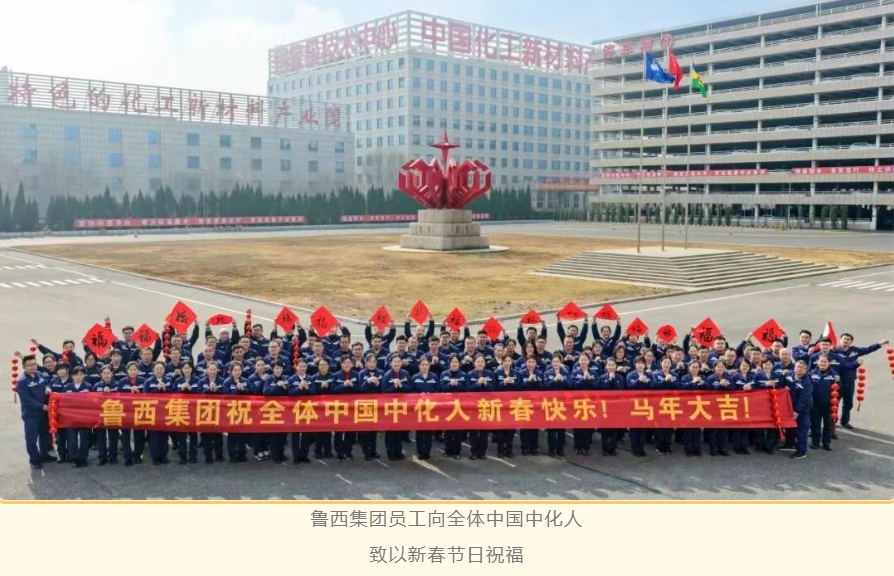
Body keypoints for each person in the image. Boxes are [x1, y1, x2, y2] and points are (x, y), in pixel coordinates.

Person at [836, 334, 888, 429]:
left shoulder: (855, 351)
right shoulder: (834, 351)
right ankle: (832, 422)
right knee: (834, 403)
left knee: (848, 403)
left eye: (848, 339)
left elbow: (867, 349)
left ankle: (844, 421)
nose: (846, 341)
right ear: (840, 340)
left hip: (850, 382)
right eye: (844, 339)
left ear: (851, 342)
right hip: (836, 383)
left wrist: (880, 344)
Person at [17, 355, 54, 470]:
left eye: (34, 364)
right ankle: (34, 460)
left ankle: (44, 455)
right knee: (31, 439)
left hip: (44, 413)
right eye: (29, 365)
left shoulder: (40, 375)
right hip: (31, 415)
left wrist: (48, 388)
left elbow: (47, 383)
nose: (32, 367)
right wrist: (41, 406)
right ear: (24, 367)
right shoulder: (22, 381)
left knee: (44, 436)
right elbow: (26, 399)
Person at [382, 355, 412, 461]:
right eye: (394, 362)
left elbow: (411, 388)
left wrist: (401, 386)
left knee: (399, 430)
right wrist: (393, 387)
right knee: (390, 431)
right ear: (391, 363)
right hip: (390, 406)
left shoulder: (406, 374)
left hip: (402, 406)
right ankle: (391, 452)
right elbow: (383, 391)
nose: (396, 364)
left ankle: (398, 451)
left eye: (398, 361)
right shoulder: (387, 375)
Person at [465, 355, 494, 460]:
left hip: (486, 406)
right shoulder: (469, 374)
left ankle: (482, 452)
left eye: (482, 361)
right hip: (473, 407)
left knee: (484, 432)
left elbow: (494, 389)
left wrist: (486, 384)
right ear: (474, 363)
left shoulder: (490, 374)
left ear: (485, 363)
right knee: (473, 432)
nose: (480, 363)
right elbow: (467, 389)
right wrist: (478, 384)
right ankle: (473, 452)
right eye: (478, 361)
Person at [116, 362, 145, 466]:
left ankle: (137, 455)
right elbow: (118, 397)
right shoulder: (122, 382)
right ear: (127, 371)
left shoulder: (143, 381)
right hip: (126, 411)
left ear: (138, 370)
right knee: (125, 436)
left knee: (139, 435)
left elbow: (147, 396)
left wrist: (139, 393)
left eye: (135, 370)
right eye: (131, 370)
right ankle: (127, 457)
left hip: (139, 411)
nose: (133, 372)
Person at [410, 357, 440, 460]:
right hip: (419, 409)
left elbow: (438, 390)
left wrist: (431, 394)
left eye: (427, 365)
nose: (425, 367)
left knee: (428, 432)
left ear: (429, 366)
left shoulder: (434, 376)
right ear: (419, 366)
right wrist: (419, 395)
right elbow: (411, 392)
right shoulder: (415, 377)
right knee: (419, 432)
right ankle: (420, 452)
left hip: (430, 408)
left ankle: (427, 452)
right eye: (423, 365)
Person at [287, 358, 315, 464]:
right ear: (296, 367)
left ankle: (304, 455)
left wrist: (307, 388)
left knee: (306, 434)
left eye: (304, 366)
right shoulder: (291, 379)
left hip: (307, 410)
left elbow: (315, 393)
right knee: (295, 434)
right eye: (300, 366)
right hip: (295, 410)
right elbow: (290, 393)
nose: (302, 368)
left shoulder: (310, 378)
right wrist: (299, 388)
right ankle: (296, 456)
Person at [63, 366, 92, 467]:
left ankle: (83, 458)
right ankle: (74, 458)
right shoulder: (67, 387)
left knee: (84, 438)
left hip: (84, 417)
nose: (78, 377)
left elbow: (94, 401)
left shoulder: (88, 386)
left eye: (80, 374)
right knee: (72, 439)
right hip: (71, 417)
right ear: (72, 376)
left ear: (84, 375)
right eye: (76, 375)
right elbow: (63, 401)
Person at [144, 361, 172, 465]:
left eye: (161, 369)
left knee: (164, 436)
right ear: (153, 370)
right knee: (154, 437)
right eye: (157, 369)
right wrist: (157, 389)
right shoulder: (148, 381)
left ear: (164, 370)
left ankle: (164, 455)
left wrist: (165, 389)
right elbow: (145, 397)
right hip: (153, 413)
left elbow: (173, 395)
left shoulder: (169, 380)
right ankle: (155, 457)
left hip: (165, 412)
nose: (159, 371)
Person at [332, 356, 360, 461]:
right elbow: (333, 390)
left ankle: (348, 451)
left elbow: (360, 389)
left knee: (350, 430)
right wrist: (343, 385)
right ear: (341, 364)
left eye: (349, 363)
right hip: (339, 407)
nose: (347, 365)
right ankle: (339, 452)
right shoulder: (336, 375)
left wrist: (352, 385)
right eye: (345, 363)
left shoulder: (356, 374)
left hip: (352, 407)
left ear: (352, 364)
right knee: (339, 431)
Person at [262, 360, 291, 463]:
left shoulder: (286, 378)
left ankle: (281, 453)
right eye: (276, 368)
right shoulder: (269, 379)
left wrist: (285, 387)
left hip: (284, 410)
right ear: (273, 369)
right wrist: (276, 386)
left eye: (280, 368)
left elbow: (291, 391)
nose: (278, 370)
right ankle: (275, 456)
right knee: (274, 435)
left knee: (283, 435)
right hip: (273, 411)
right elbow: (266, 392)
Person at [439, 355, 467, 459]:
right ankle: (447, 450)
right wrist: (450, 385)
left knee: (458, 431)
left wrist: (458, 385)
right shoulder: (444, 374)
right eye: (452, 362)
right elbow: (441, 388)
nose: (454, 364)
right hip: (447, 405)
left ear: (459, 363)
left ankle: (456, 452)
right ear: (449, 363)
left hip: (459, 406)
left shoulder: (463, 375)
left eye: (456, 362)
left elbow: (466, 389)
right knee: (447, 430)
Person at [596, 358, 625, 456]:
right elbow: (601, 391)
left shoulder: (620, 378)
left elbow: (620, 391)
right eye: (609, 365)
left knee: (615, 429)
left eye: (613, 365)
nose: (611, 367)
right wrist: (609, 380)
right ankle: (604, 448)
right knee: (605, 429)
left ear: (616, 367)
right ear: (606, 367)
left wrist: (614, 380)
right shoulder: (601, 378)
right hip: (605, 407)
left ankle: (612, 448)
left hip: (616, 407)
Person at [809, 355, 838, 451]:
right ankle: (815, 442)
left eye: (825, 362)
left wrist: (838, 382)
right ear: (817, 362)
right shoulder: (812, 373)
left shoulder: (834, 375)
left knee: (828, 425)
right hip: (815, 404)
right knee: (815, 424)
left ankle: (826, 443)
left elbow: (838, 389)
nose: (822, 363)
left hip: (828, 405)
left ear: (829, 363)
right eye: (821, 361)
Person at [752, 358, 781, 454]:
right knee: (760, 425)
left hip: (773, 404)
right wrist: (765, 384)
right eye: (765, 364)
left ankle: (769, 446)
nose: (767, 366)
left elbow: (782, 387)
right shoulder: (757, 375)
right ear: (762, 365)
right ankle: (760, 445)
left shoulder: (777, 375)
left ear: (772, 366)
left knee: (772, 425)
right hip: (760, 404)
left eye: (769, 364)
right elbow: (754, 388)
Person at [172, 362, 200, 464]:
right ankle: (182, 456)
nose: (187, 370)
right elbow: (173, 396)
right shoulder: (178, 380)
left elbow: (201, 395)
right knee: (181, 435)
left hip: (193, 411)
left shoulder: (197, 380)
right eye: (185, 368)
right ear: (182, 370)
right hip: (181, 411)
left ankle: (193, 455)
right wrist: (181, 390)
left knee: (193, 435)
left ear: (192, 369)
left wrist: (191, 389)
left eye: (189, 368)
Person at [223, 362, 251, 463]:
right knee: (232, 435)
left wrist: (244, 389)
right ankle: (232, 455)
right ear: (231, 371)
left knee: (243, 434)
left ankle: (242, 454)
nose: (237, 372)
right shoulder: (227, 382)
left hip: (243, 410)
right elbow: (225, 396)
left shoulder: (245, 381)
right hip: (232, 411)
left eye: (239, 370)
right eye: (235, 370)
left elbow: (252, 392)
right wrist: (236, 389)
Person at [569, 353, 597, 455]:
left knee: (587, 426)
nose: (584, 362)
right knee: (577, 426)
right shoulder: (575, 372)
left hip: (589, 403)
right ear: (579, 361)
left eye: (586, 360)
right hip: (578, 403)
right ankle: (578, 446)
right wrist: (582, 380)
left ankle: (586, 447)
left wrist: (588, 380)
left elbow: (596, 386)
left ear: (589, 361)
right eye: (582, 360)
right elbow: (572, 385)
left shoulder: (593, 373)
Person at [542, 355, 570, 457]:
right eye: (554, 362)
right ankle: (551, 449)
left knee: (562, 428)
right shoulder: (547, 373)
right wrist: (554, 379)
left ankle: (560, 449)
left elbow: (570, 385)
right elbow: (545, 386)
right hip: (551, 403)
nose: (556, 364)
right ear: (551, 363)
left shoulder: (565, 372)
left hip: (562, 404)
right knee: (551, 429)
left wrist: (563, 380)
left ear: (560, 363)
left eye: (557, 362)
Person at [650, 357, 679, 455]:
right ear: (661, 363)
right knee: (660, 426)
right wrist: (665, 380)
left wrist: (671, 381)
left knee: (669, 427)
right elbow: (654, 387)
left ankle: (667, 446)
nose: (666, 365)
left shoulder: (674, 375)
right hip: (659, 403)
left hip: (671, 403)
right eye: (665, 362)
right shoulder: (655, 374)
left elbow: (678, 387)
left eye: (668, 363)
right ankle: (659, 446)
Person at [198, 363, 225, 464]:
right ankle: (208, 457)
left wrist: (217, 390)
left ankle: (219, 456)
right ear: (207, 371)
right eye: (211, 369)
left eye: (214, 369)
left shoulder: (222, 381)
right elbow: (199, 395)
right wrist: (208, 390)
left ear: (217, 370)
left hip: (218, 411)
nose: (213, 371)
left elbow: (225, 394)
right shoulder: (202, 381)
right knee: (206, 436)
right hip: (206, 412)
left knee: (218, 436)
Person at [358, 355, 384, 460]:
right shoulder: (362, 373)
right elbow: (360, 389)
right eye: (370, 362)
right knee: (365, 431)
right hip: (365, 405)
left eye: (374, 362)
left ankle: (373, 451)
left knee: (374, 430)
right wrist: (368, 381)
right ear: (366, 363)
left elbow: (383, 389)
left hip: (376, 405)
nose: (372, 364)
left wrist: (378, 384)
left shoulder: (381, 373)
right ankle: (366, 452)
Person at [625, 357, 652, 457]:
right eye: (638, 363)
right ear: (635, 364)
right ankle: (634, 448)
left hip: (645, 404)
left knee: (642, 428)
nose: (640, 365)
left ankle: (641, 448)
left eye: (642, 363)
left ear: (645, 365)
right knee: (634, 428)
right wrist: (638, 380)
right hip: (633, 404)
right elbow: (629, 386)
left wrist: (648, 382)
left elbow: (654, 386)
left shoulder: (649, 374)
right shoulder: (631, 375)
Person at [728, 359, 755, 455]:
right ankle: (737, 447)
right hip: (738, 404)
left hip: (748, 404)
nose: (745, 367)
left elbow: (757, 389)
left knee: (746, 427)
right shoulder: (734, 377)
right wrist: (741, 389)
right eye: (743, 365)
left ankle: (744, 446)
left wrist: (751, 388)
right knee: (738, 427)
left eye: (747, 366)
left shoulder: (752, 376)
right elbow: (731, 389)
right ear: (739, 366)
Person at [494, 355, 519, 457]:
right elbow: (494, 387)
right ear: (502, 362)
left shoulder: (516, 373)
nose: (507, 363)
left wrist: (513, 383)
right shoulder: (497, 373)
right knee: (500, 429)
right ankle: (500, 450)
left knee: (511, 429)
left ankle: (509, 450)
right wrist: (503, 382)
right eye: (505, 361)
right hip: (500, 404)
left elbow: (520, 387)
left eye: (509, 361)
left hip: (512, 404)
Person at [679, 362, 706, 456]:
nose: (695, 369)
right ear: (689, 368)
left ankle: (697, 448)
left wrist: (703, 383)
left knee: (697, 429)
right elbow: (683, 388)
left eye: (697, 367)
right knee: (689, 429)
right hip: (688, 405)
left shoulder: (703, 377)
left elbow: (708, 389)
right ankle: (688, 449)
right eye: (693, 367)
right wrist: (693, 382)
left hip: (699, 405)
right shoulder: (685, 377)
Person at [517, 355, 542, 455]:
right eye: (529, 362)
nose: (531, 364)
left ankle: (533, 447)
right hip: (524, 403)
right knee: (524, 427)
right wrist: (528, 381)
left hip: (535, 403)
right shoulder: (521, 373)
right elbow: (518, 387)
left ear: (536, 364)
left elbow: (543, 387)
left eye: (533, 362)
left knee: (534, 427)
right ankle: (524, 447)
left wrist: (536, 382)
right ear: (526, 363)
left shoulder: (539, 373)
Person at [705, 362, 732, 457]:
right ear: (714, 368)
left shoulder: (728, 377)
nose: (720, 368)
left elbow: (733, 389)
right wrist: (720, 385)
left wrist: (727, 385)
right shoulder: (710, 378)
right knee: (714, 429)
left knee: (723, 429)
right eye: (718, 367)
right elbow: (709, 390)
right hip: (714, 406)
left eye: (722, 367)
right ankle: (713, 448)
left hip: (725, 405)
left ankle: (722, 448)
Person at [789, 360, 813, 460]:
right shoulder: (789, 375)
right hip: (789, 407)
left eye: (802, 368)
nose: (799, 369)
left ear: (806, 370)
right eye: (797, 367)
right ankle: (789, 444)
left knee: (802, 431)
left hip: (802, 410)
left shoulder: (807, 382)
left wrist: (797, 411)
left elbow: (804, 398)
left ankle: (801, 451)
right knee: (791, 429)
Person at [312, 358, 335, 459]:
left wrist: (328, 386)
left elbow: (335, 391)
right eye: (321, 365)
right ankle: (318, 450)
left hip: (330, 407)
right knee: (318, 430)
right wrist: (321, 387)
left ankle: (328, 451)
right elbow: (312, 392)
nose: (323, 367)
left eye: (325, 365)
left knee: (328, 430)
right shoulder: (314, 377)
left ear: (328, 366)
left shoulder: (333, 376)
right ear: (318, 366)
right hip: (318, 408)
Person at [48, 362, 71, 463]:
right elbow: (48, 387)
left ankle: (70, 455)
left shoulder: (72, 381)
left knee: (70, 436)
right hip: (57, 413)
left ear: (67, 370)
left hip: (70, 413)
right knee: (59, 437)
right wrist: (47, 389)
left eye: (63, 369)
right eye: (59, 369)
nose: (61, 371)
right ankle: (62, 456)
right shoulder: (53, 381)